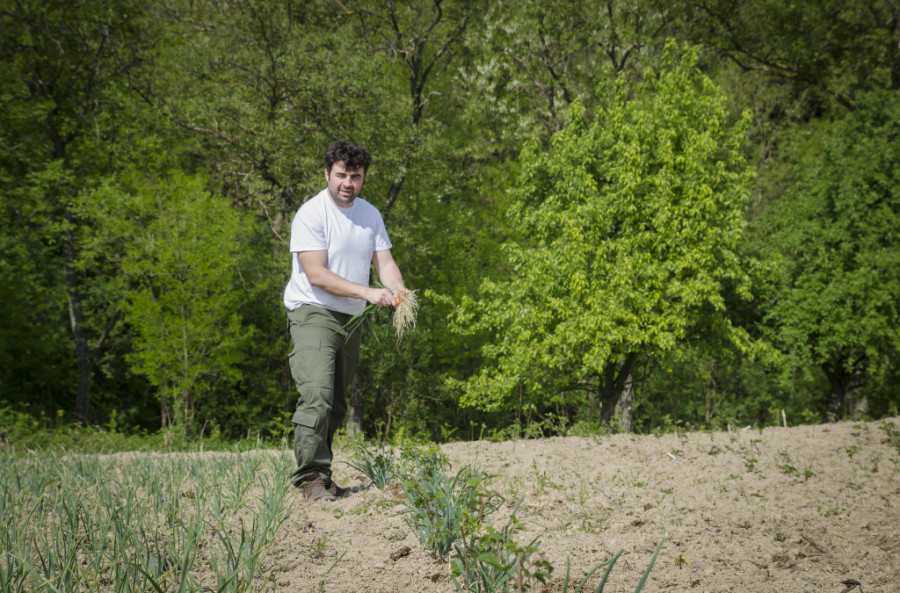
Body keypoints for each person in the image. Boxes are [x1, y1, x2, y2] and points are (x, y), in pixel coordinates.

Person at [283, 140, 406, 501]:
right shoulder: (311, 213)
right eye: (341, 175)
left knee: (336, 403)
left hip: (351, 319)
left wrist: (399, 292)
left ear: (363, 178)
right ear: (327, 174)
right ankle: (310, 479)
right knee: (317, 394)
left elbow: (385, 263)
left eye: (356, 176)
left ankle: (323, 474)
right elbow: (317, 274)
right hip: (313, 311)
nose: (347, 183)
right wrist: (368, 292)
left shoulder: (370, 215)